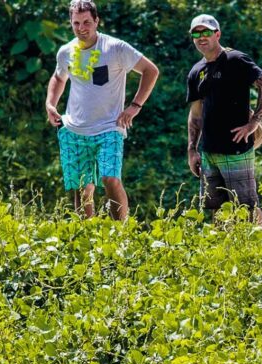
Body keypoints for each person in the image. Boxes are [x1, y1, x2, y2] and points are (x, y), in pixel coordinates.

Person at [45, 0, 158, 220]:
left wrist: (135, 106)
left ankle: (120, 232)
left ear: (97, 21)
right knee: (82, 187)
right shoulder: (66, 51)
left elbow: (150, 70)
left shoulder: (115, 48)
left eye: (87, 22)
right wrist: (50, 104)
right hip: (74, 128)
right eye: (76, 23)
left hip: (109, 126)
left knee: (110, 178)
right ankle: (89, 234)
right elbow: (58, 78)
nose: (81, 28)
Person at [186, 13, 262, 221]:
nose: (201, 37)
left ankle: (259, 240)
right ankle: (223, 243)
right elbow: (196, 115)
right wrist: (192, 150)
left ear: (217, 34)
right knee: (217, 210)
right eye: (196, 34)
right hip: (209, 151)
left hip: (236, 148)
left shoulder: (235, 59)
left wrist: (254, 122)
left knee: (247, 207)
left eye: (206, 32)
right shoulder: (196, 71)